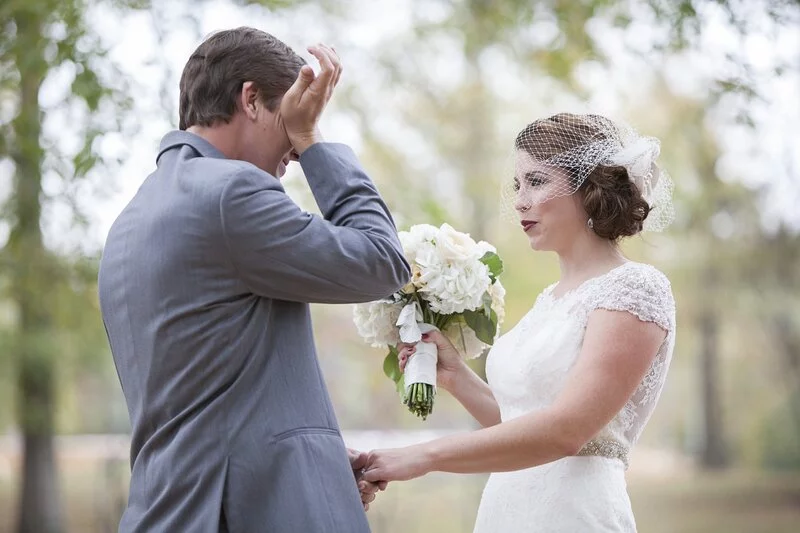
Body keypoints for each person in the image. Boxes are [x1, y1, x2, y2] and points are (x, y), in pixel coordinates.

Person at [98, 27, 409, 532]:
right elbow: (381, 262)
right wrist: (312, 140)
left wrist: (309, 462)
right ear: (252, 99)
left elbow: (208, 394)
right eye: (291, 114)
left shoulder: (129, 222)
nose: (291, 151)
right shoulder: (230, 193)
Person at [364, 113, 677, 532]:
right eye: (518, 185)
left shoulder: (635, 289)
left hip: (575, 516)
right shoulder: (551, 299)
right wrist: (457, 377)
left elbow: (566, 431)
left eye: (536, 181)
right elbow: (519, 422)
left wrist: (425, 455)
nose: (519, 200)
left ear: (588, 187)